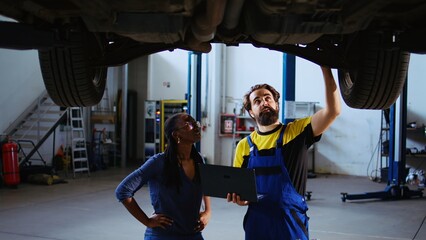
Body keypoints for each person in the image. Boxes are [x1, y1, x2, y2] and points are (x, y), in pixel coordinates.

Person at [227, 66, 341, 240]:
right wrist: (241, 199)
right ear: (251, 111)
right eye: (257, 101)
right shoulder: (243, 146)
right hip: (257, 224)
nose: (264, 102)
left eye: (268, 98)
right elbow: (241, 191)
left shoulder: (296, 131)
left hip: (290, 223)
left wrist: (325, 67)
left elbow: (333, 111)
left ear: (276, 104)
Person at [115, 113, 211, 240]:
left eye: (195, 122)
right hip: (163, 236)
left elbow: (205, 186)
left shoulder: (199, 160)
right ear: (176, 135)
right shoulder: (159, 162)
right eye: (189, 124)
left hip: (192, 234)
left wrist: (207, 212)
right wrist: (147, 221)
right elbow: (123, 191)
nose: (195, 126)